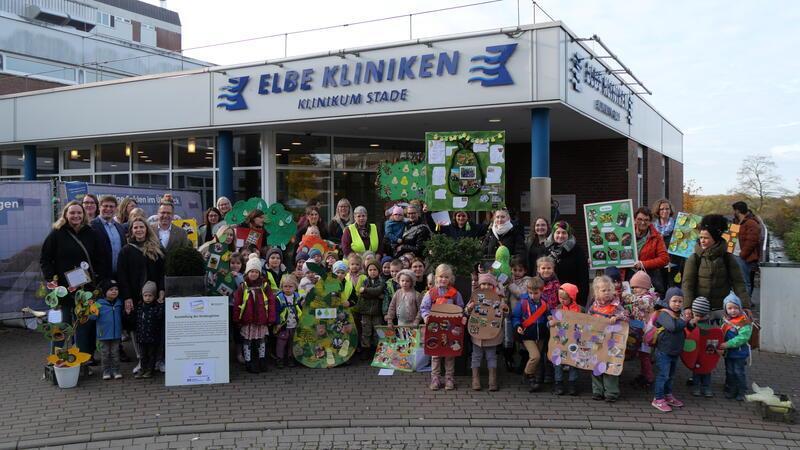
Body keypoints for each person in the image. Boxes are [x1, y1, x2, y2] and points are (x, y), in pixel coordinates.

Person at [40, 200, 103, 360]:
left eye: (79, 213)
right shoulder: (56, 233)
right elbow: (45, 259)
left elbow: (99, 258)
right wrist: (50, 278)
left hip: (85, 290)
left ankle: (82, 363)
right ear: (66, 215)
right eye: (72, 213)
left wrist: (98, 279)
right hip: (63, 290)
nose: (76, 216)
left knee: (83, 327)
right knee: (61, 328)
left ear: (84, 215)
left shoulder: (91, 233)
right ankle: (57, 361)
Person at [118, 217, 165, 374]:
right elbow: (122, 275)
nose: (138, 230)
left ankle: (157, 360)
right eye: (135, 227)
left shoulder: (156, 248)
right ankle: (141, 360)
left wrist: (162, 290)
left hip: (153, 295)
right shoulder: (126, 250)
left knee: (156, 327)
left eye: (141, 227)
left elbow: (162, 272)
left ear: (147, 229)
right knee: (136, 329)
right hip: (134, 294)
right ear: (131, 231)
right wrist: (127, 297)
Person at [681, 214, 750, 315]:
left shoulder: (727, 258)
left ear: (715, 238)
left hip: (723, 309)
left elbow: (738, 283)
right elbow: (687, 285)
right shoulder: (695, 258)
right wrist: (687, 306)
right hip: (699, 310)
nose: (702, 241)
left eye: (706, 238)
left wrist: (745, 305)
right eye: (701, 237)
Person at [420, 264, 464, 391]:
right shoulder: (431, 293)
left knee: (450, 354)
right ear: (436, 278)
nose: (443, 279)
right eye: (440, 277)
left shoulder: (455, 294)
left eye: (446, 277)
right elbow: (424, 307)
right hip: (434, 328)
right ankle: (435, 378)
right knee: (435, 354)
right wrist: (426, 316)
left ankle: (449, 378)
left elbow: (460, 307)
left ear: (450, 278)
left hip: (450, 329)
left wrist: (460, 317)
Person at [233, 254, 277, 373]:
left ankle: (262, 360)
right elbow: (237, 303)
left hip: (261, 319)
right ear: (247, 273)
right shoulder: (243, 286)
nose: (254, 274)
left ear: (259, 273)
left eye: (256, 272)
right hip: (247, 320)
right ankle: (249, 361)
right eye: (251, 271)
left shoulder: (265, 286)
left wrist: (271, 318)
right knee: (247, 341)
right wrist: (237, 319)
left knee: (261, 340)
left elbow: (271, 302)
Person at [587, 276, 628, 402]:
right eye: (603, 290)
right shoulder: (594, 306)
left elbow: (626, 316)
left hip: (612, 342)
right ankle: (597, 390)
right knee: (596, 364)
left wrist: (617, 317)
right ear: (596, 292)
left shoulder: (616, 306)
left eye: (609, 290)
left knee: (610, 364)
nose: (607, 293)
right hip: (597, 340)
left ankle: (611, 392)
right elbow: (587, 319)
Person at [531, 220, 590, 305]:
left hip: (569, 298)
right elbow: (536, 272)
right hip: (546, 298)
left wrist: (581, 302)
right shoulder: (545, 249)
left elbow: (583, 277)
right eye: (557, 232)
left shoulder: (577, 250)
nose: (560, 235)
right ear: (553, 233)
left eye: (564, 233)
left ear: (568, 234)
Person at [467, 272, 508, 392]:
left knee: (491, 356)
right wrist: (469, 308)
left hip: (492, 333)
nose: (486, 286)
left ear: (493, 285)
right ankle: (475, 379)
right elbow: (467, 310)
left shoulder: (499, 297)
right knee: (476, 356)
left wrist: (504, 308)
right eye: (483, 284)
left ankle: (492, 379)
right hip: (477, 333)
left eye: (489, 284)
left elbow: (503, 314)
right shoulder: (475, 295)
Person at [651, 287, 687, 412]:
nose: (677, 304)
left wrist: (691, 322)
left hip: (674, 351)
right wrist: (684, 321)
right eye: (674, 301)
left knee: (670, 376)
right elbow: (672, 327)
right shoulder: (663, 313)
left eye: (680, 301)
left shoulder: (679, 314)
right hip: (664, 351)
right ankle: (658, 398)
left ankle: (668, 395)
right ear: (668, 300)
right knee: (663, 375)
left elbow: (684, 327)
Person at [512, 277, 549, 393]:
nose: (533, 296)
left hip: (541, 334)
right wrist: (518, 325)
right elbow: (515, 316)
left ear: (541, 291)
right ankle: (528, 375)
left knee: (538, 358)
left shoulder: (545, 303)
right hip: (527, 334)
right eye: (530, 293)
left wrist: (550, 317)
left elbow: (549, 313)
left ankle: (533, 380)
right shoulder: (523, 302)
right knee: (535, 356)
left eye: (536, 293)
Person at [623, 271, 658, 388]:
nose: (635, 289)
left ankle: (648, 377)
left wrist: (628, 297)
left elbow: (643, 304)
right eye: (633, 287)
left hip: (646, 332)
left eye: (637, 287)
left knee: (645, 356)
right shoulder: (639, 297)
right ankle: (644, 374)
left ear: (645, 287)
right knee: (642, 355)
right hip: (638, 330)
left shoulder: (648, 298)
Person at [547, 283, 582, 395]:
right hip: (560, 341)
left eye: (565, 299)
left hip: (574, 341)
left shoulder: (580, 310)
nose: (562, 300)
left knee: (574, 362)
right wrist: (550, 323)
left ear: (572, 297)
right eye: (560, 298)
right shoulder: (557, 308)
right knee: (557, 362)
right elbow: (550, 324)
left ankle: (573, 383)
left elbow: (586, 325)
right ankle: (559, 383)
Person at [720, 292, 752, 401]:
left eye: (735, 308)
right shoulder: (725, 320)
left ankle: (742, 390)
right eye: (729, 308)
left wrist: (727, 344)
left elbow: (743, 337)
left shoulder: (744, 321)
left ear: (740, 308)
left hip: (739, 353)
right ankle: (732, 389)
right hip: (729, 353)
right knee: (729, 371)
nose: (733, 310)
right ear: (725, 309)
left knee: (738, 372)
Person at [90, 279, 124, 380]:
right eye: (111, 289)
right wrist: (91, 308)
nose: (114, 291)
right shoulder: (98, 304)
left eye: (116, 289)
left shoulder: (119, 303)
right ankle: (106, 371)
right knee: (105, 354)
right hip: (103, 335)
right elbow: (92, 318)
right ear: (105, 292)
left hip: (116, 334)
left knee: (115, 353)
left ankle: (116, 370)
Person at [631, 207, 670, 295]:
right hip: (628, 276)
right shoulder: (626, 233)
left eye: (646, 220)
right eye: (639, 219)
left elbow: (664, 259)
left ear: (650, 222)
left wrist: (643, 264)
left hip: (648, 278)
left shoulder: (656, 237)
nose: (643, 222)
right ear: (634, 219)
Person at [90, 195, 127, 280]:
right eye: (105, 206)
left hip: (119, 275)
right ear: (99, 207)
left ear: (116, 209)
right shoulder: (91, 226)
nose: (108, 209)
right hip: (99, 277)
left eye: (111, 206)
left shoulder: (120, 227)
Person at [133, 281, 163, 379]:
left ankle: (150, 370)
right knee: (142, 355)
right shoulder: (139, 307)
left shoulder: (156, 307)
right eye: (145, 295)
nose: (148, 298)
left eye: (150, 295)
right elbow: (136, 321)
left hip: (152, 337)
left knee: (151, 354)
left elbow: (159, 318)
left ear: (154, 296)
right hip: (141, 337)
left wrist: (161, 307)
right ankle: (142, 369)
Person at [686, 296, 715, 398]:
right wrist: (691, 323)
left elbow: (714, 335)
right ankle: (696, 387)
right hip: (696, 351)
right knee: (696, 370)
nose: (699, 317)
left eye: (701, 315)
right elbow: (688, 334)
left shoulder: (710, 322)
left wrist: (713, 350)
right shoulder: (692, 321)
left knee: (707, 369)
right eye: (697, 314)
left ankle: (706, 387)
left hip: (706, 350)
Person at [356, 261, 386, 360]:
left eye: (374, 270)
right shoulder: (365, 281)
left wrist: (366, 290)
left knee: (378, 331)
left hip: (377, 312)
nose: (372, 272)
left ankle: (377, 350)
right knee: (366, 331)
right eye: (370, 270)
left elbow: (378, 290)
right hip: (366, 312)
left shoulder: (381, 281)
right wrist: (376, 295)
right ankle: (366, 350)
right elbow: (362, 294)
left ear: (378, 271)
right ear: (367, 271)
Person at [732, 201, 761, 297]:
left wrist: (742, 254)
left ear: (737, 210)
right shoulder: (737, 222)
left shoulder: (751, 223)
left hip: (743, 257)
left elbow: (752, 241)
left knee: (745, 281)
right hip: (735, 255)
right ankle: (740, 303)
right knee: (738, 281)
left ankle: (746, 305)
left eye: (734, 210)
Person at [505, 258, 530, 372]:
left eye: (520, 270)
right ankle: (509, 359)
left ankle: (523, 362)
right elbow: (504, 296)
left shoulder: (527, 281)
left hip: (522, 315)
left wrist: (510, 285)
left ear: (524, 271)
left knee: (522, 339)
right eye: (514, 270)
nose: (517, 273)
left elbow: (521, 294)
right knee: (509, 338)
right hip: (509, 314)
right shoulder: (509, 280)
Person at [274, 274, 303, 368]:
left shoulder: (297, 296)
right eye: (285, 286)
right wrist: (277, 323)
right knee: (281, 343)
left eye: (290, 286)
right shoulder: (279, 298)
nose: (288, 289)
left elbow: (300, 309)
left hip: (294, 324)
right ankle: (280, 359)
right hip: (283, 325)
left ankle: (290, 358)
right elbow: (276, 312)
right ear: (281, 287)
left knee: (292, 342)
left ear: (295, 287)